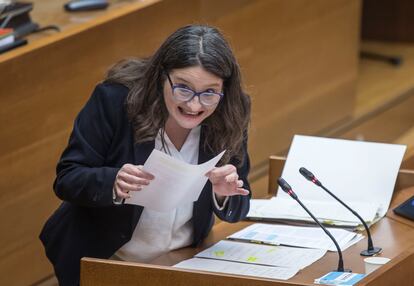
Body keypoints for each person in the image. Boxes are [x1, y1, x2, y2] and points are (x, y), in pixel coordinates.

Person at [39, 24, 251, 286]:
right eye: (183, 88)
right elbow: (68, 177)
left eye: (209, 92)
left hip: (181, 261)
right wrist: (113, 182)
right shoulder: (115, 100)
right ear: (161, 75)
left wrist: (222, 193)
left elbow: (240, 203)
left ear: (224, 90)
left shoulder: (231, 111)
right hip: (107, 261)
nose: (194, 105)